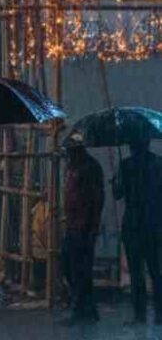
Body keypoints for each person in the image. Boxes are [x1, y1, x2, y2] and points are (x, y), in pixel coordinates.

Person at [112, 134, 162, 325]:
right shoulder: (158, 164)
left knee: (136, 272)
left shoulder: (126, 166)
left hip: (133, 225)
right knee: (156, 271)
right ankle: (159, 313)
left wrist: (116, 181)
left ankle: (139, 315)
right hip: (154, 225)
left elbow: (118, 194)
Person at [59, 133, 104, 325]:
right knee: (69, 265)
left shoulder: (90, 168)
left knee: (79, 269)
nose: (68, 155)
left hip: (84, 227)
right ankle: (88, 308)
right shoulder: (74, 167)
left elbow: (96, 199)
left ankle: (81, 310)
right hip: (72, 224)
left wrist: (92, 226)